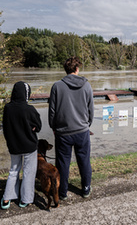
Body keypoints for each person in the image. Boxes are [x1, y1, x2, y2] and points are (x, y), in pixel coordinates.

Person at [48, 57, 94, 200]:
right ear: (77, 69)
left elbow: (52, 112)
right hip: (82, 131)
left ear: (66, 69)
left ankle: (62, 193)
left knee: (62, 163)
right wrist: (87, 125)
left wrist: (54, 127)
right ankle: (86, 189)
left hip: (63, 133)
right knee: (84, 161)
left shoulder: (57, 86)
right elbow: (91, 109)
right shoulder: (87, 86)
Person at [1, 81, 42, 210]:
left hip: (14, 145)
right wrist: (33, 128)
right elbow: (38, 126)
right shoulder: (30, 109)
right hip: (29, 146)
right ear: (26, 94)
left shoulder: (7, 108)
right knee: (29, 172)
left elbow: (5, 127)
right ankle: (25, 199)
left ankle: (7, 198)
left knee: (13, 170)